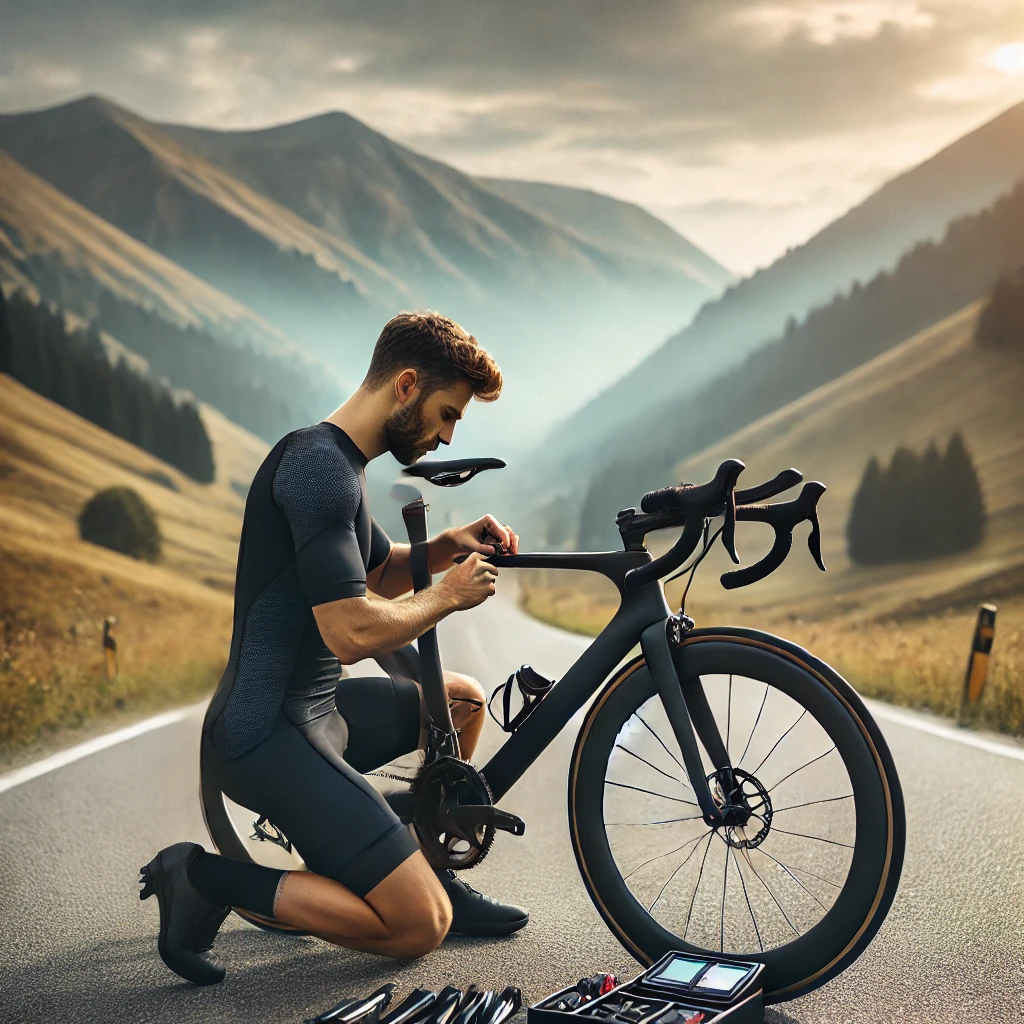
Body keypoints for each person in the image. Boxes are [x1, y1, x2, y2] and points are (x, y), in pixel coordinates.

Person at [139, 312, 527, 986]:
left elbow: (372, 572)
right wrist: (447, 595)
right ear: (405, 386)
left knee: (461, 703)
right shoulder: (319, 471)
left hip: (320, 715)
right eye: (446, 414)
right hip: (264, 737)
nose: (447, 435)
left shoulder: (342, 462)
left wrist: (449, 545)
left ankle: (415, 859)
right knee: (419, 926)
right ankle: (203, 877)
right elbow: (347, 630)